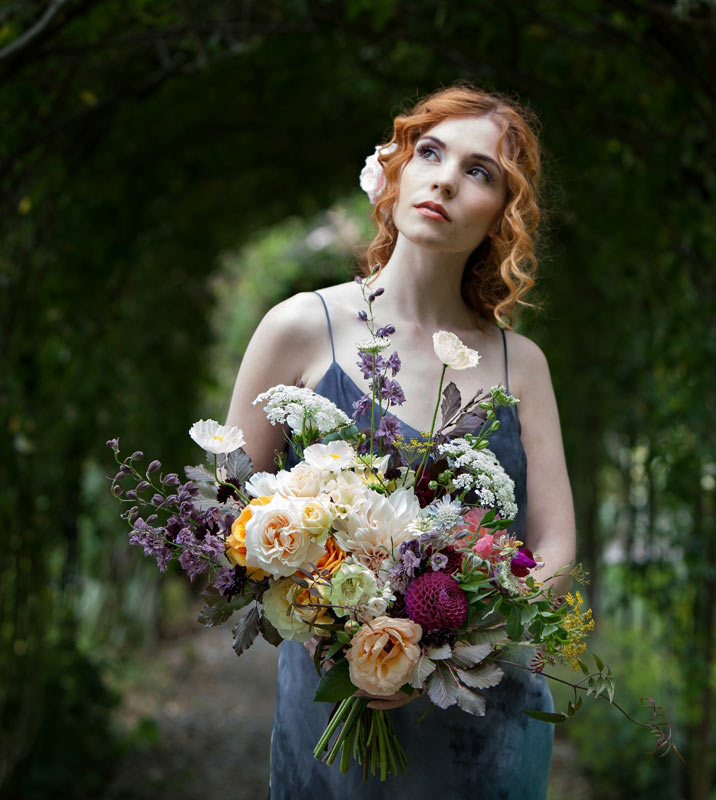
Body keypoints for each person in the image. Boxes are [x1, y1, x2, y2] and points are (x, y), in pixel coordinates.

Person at [224, 85, 577, 799]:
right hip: (332, 717)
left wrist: (439, 649)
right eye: (431, 152)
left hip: (485, 726)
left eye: (479, 172)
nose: (446, 178)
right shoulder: (298, 328)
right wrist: (339, 618)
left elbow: (557, 547)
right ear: (395, 171)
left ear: (500, 217)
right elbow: (227, 521)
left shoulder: (521, 366)